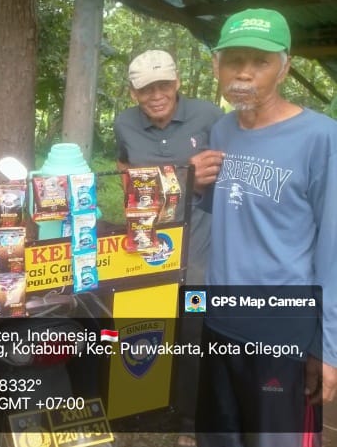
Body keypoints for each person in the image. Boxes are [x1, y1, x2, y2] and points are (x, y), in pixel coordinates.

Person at [196, 8, 337, 447]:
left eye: (260, 61)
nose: (244, 73)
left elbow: (333, 250)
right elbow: (231, 214)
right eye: (234, 60)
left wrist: (327, 347)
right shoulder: (221, 130)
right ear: (216, 65)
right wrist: (195, 186)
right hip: (219, 323)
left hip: (282, 332)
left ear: (285, 67)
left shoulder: (321, 137)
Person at [113, 49, 224, 446]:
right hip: (148, 248)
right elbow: (125, 169)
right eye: (146, 89)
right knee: (148, 326)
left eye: (163, 85)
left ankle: (190, 421)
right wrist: (182, 178)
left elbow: (229, 172)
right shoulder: (124, 123)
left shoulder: (209, 116)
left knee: (193, 330)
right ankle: (144, 405)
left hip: (198, 248)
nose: (156, 96)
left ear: (177, 83)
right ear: (133, 92)